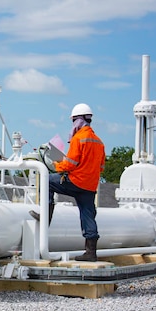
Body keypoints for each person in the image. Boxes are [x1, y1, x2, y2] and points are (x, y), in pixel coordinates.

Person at [30, 103, 106, 261]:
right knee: (88, 215)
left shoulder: (79, 138)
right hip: (90, 185)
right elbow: (102, 167)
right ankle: (91, 253)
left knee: (47, 181)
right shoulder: (99, 142)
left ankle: (46, 215)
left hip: (76, 180)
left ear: (78, 120)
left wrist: (58, 165)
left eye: (73, 121)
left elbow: (70, 163)